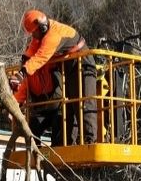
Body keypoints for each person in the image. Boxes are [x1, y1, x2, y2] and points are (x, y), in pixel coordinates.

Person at [9, 9, 97, 145]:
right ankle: (70, 144)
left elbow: (40, 57)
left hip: (82, 63)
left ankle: (90, 142)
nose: (33, 36)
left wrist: (22, 73)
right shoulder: (41, 35)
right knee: (70, 107)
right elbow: (32, 51)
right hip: (69, 67)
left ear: (41, 27)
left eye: (34, 33)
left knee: (84, 103)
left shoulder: (53, 36)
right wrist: (24, 63)